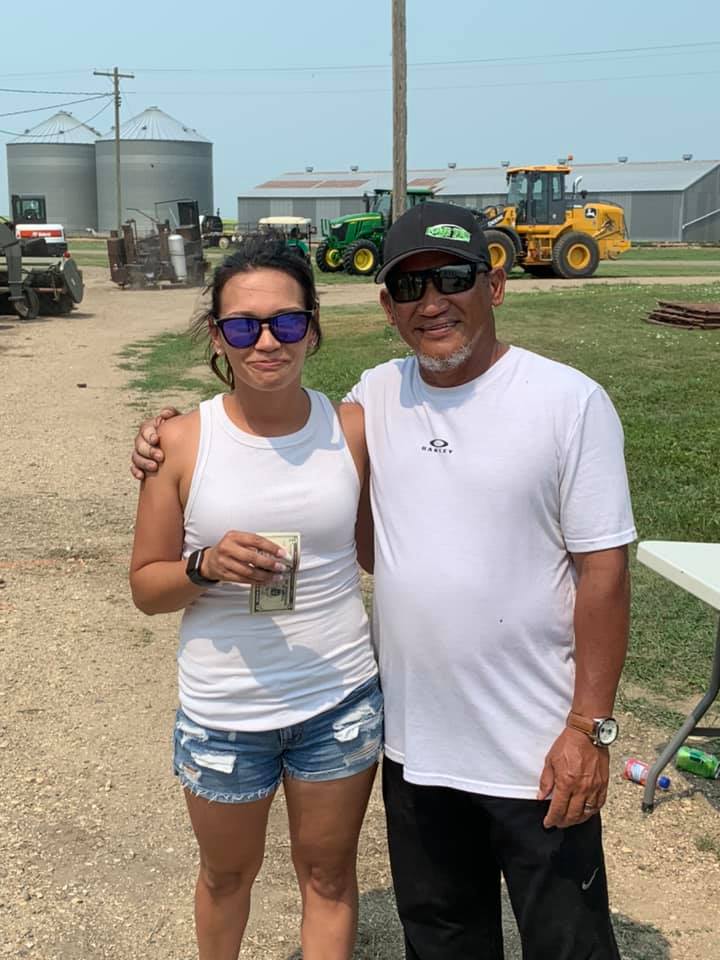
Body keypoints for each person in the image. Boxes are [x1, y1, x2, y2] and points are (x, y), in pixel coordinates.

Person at [132, 202, 635, 960]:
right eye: (408, 287)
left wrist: (590, 727)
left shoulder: (560, 401)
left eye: (453, 278)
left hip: (525, 744)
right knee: (441, 936)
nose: (431, 302)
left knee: (565, 942)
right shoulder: (377, 398)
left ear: (495, 285)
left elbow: (605, 572)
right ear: (387, 306)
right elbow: (325, 511)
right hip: (415, 745)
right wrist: (164, 446)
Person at [129, 234, 382, 960]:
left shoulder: (354, 429)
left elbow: (378, 551)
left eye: (286, 322)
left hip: (337, 702)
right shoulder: (182, 443)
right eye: (243, 327)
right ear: (218, 336)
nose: (267, 342)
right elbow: (146, 587)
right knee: (226, 877)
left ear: (313, 328)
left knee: (328, 877)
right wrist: (205, 565)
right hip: (225, 716)